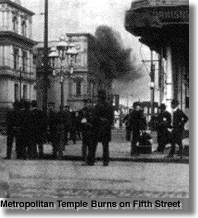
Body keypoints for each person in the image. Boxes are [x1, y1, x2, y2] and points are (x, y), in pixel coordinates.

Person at [83, 90, 114, 166]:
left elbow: (94, 118)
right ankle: (105, 161)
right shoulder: (110, 106)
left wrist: (92, 123)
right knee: (105, 146)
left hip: (97, 129)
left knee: (93, 146)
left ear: (99, 97)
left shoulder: (97, 106)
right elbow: (111, 119)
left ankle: (91, 161)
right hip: (106, 129)